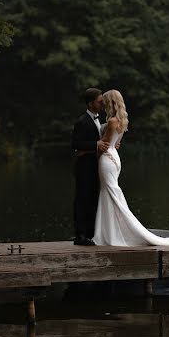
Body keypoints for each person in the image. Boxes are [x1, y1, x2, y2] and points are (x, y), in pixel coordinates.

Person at [93, 90, 169, 247]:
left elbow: (104, 145)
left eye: (105, 102)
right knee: (110, 193)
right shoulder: (121, 120)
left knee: (110, 193)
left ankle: (117, 232)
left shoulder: (112, 121)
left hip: (107, 159)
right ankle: (109, 232)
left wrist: (94, 157)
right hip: (115, 159)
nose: (103, 105)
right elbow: (116, 144)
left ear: (111, 103)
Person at [71, 88, 108, 246]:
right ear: (90, 103)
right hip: (84, 166)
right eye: (100, 101)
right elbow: (75, 144)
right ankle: (80, 235)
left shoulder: (98, 119)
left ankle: (90, 233)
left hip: (94, 165)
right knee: (83, 199)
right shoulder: (82, 121)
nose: (102, 104)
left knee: (92, 198)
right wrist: (96, 144)